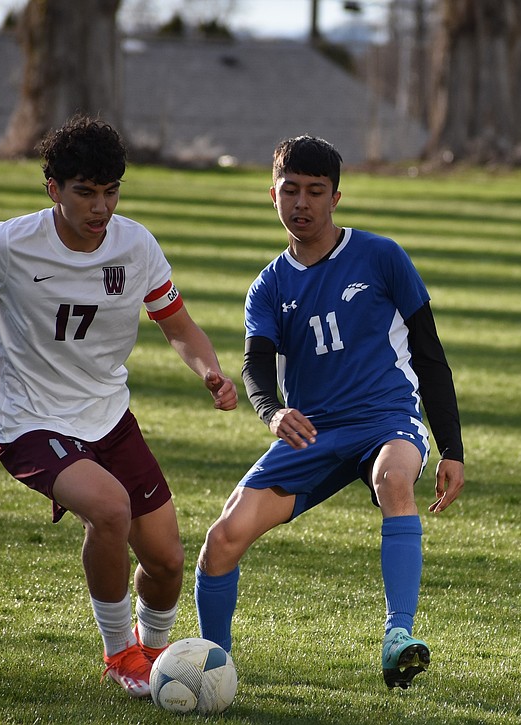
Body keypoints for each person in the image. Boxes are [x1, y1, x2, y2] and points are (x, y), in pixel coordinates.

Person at [0, 115, 238, 698]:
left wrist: (208, 369)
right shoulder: (9, 244)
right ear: (52, 188)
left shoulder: (135, 245)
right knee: (109, 508)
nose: (100, 207)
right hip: (30, 421)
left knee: (165, 563)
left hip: (108, 417)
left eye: (110, 192)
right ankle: (119, 657)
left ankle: (157, 657)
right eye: (85, 192)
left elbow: (178, 325)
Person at [194, 135, 465, 690]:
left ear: (336, 197)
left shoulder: (382, 257)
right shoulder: (268, 287)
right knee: (222, 539)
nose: (302, 204)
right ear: (272, 194)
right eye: (290, 190)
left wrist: (452, 449)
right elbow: (256, 367)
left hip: (385, 417)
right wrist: (271, 412)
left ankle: (397, 637)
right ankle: (211, 666)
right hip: (310, 432)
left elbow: (431, 357)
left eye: (315, 191)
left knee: (394, 479)